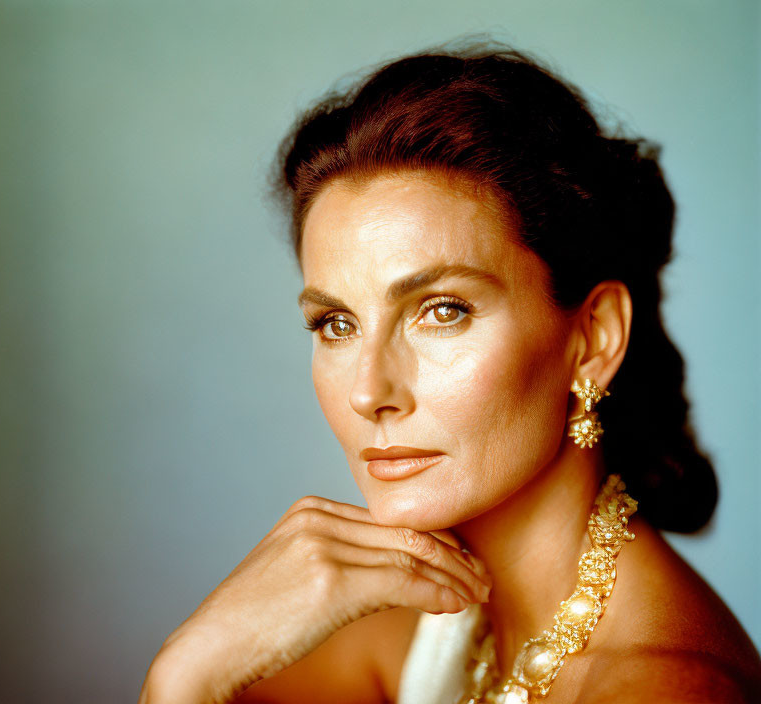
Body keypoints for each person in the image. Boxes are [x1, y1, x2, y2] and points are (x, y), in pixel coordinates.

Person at [138, 40, 761, 703]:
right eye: (337, 325)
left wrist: (183, 680)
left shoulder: (668, 687)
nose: (368, 391)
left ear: (593, 338)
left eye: (441, 311)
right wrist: (188, 667)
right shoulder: (427, 624)